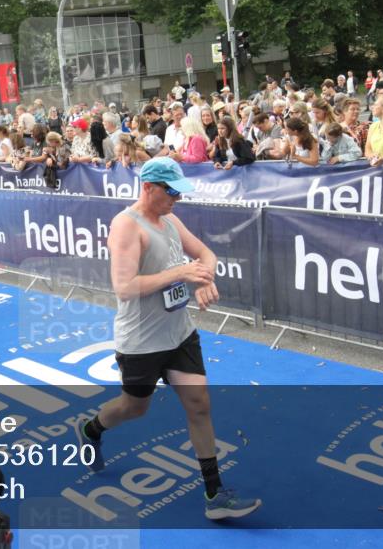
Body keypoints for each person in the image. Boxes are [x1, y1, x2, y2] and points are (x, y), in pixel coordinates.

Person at [75, 157, 261, 521]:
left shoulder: (171, 219)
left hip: (179, 333)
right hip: (141, 342)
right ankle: (90, 428)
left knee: (199, 404)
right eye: (171, 192)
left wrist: (205, 278)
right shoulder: (126, 226)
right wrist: (181, 273)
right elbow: (124, 287)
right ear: (149, 188)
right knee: (135, 408)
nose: (177, 198)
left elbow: (205, 253)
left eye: (179, 192)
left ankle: (214, 494)